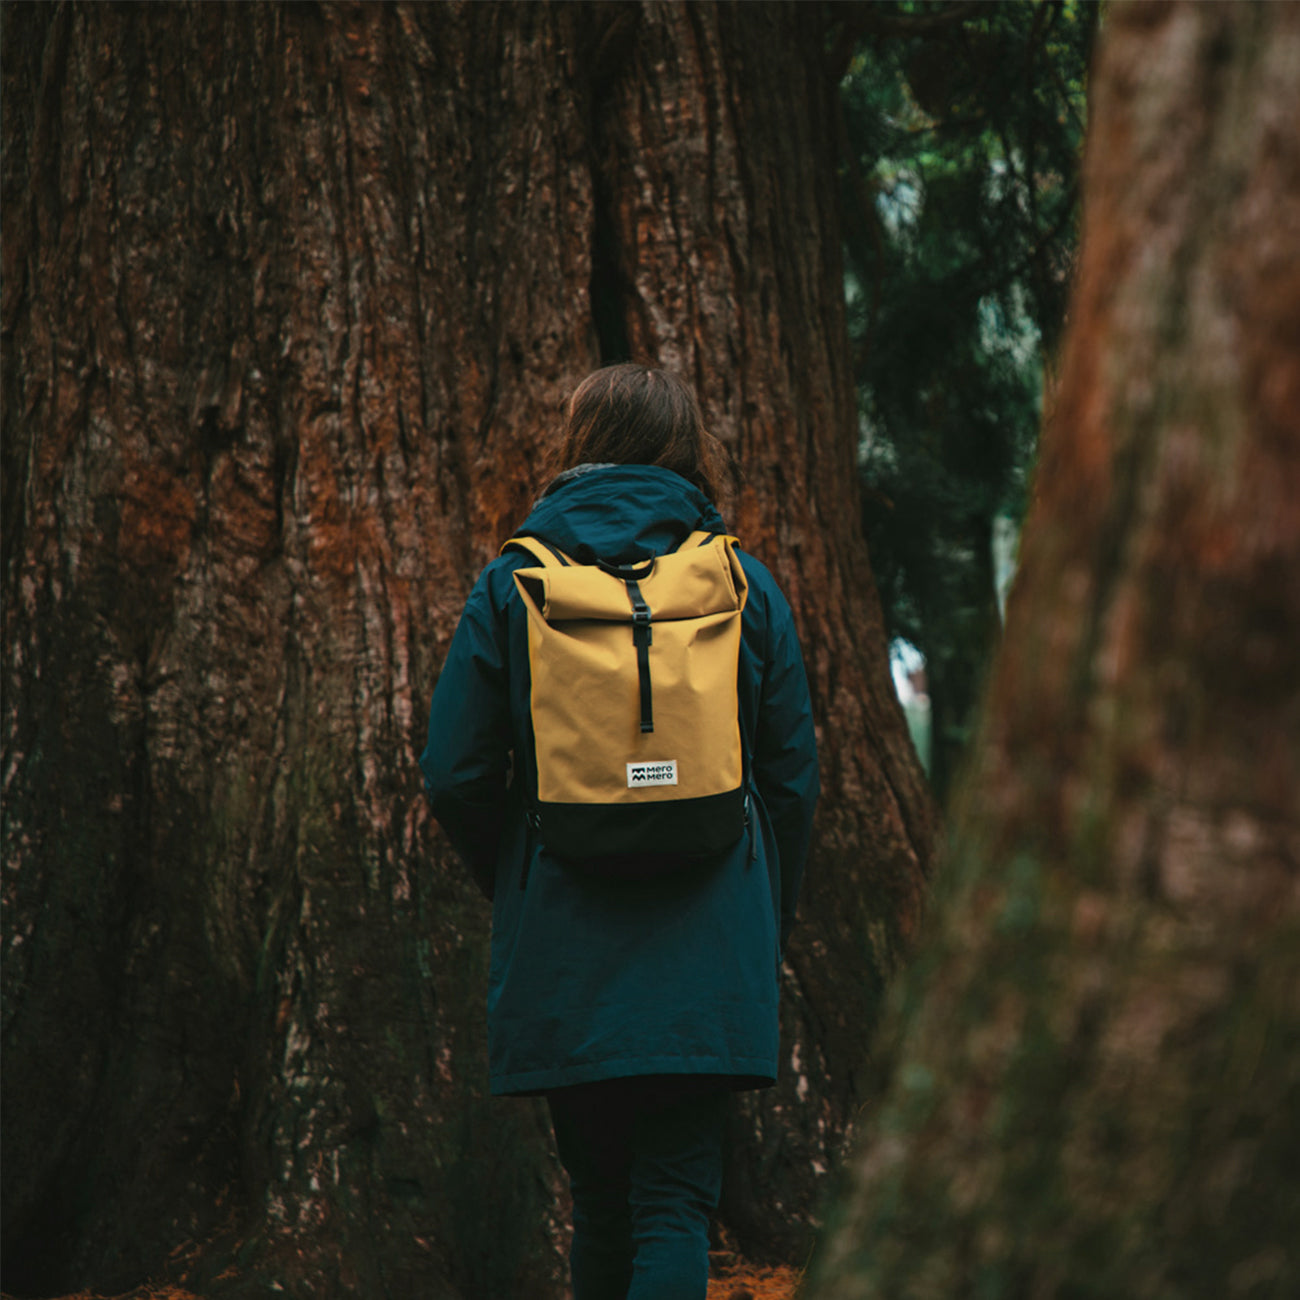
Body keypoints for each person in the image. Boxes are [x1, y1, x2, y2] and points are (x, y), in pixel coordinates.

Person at [420, 363, 819, 1300]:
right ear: (688, 449)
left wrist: (516, 875)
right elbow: (792, 781)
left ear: (577, 447)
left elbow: (453, 772)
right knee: (675, 1205)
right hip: (710, 942)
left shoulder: (514, 585)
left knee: (600, 1201)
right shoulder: (743, 585)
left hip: (565, 937)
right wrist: (770, 919)